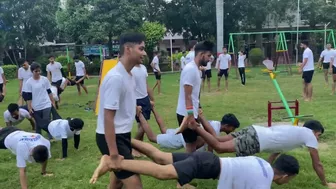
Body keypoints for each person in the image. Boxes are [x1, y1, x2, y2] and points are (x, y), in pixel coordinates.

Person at [90, 139, 300, 189]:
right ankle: (114, 161)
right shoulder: (263, 184)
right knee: (163, 172)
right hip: (207, 167)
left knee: (161, 157)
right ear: (285, 176)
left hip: (209, 160)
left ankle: (122, 138)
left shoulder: (262, 163)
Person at [187, 119, 336, 188]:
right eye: (319, 135)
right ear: (314, 132)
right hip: (257, 139)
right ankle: (196, 126)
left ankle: (196, 138)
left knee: (218, 140)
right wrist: (325, 183)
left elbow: (275, 152)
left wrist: (265, 171)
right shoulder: (309, 136)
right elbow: (317, 163)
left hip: (254, 130)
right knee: (219, 147)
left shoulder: (295, 132)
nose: (317, 139)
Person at [95, 32, 146, 189]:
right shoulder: (116, 77)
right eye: (141, 48)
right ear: (128, 49)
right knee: (135, 185)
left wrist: (134, 108)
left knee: (117, 182)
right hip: (112, 138)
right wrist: (114, 154)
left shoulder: (129, 75)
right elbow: (108, 118)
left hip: (122, 135)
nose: (144, 53)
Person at [139, 106, 239, 151]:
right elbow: (210, 150)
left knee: (164, 130)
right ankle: (139, 114)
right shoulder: (215, 131)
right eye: (232, 128)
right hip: (183, 139)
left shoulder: (215, 123)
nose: (233, 131)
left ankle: (153, 108)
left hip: (185, 133)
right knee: (152, 138)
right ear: (227, 126)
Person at [176, 41, 214, 154]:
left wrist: (198, 108)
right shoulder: (190, 69)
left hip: (191, 113)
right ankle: (185, 168)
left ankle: (188, 165)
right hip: (186, 114)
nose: (209, 59)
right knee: (191, 146)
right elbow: (187, 96)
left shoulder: (197, 69)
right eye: (208, 56)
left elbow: (194, 94)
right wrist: (191, 116)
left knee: (198, 141)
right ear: (201, 54)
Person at [25, 63, 56, 139]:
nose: (38, 73)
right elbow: (28, 96)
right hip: (36, 106)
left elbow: (49, 91)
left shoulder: (44, 79)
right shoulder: (29, 82)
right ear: (32, 71)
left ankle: (50, 136)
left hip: (46, 104)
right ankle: (38, 138)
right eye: (36, 71)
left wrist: (53, 102)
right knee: (38, 123)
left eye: (39, 71)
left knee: (46, 121)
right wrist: (29, 107)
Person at [131, 59, 155, 157]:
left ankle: (138, 149)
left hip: (145, 99)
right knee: (143, 127)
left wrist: (152, 98)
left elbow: (146, 84)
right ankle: (132, 147)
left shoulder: (143, 68)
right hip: (136, 100)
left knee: (142, 125)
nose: (143, 56)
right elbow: (129, 88)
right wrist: (134, 104)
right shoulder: (131, 70)